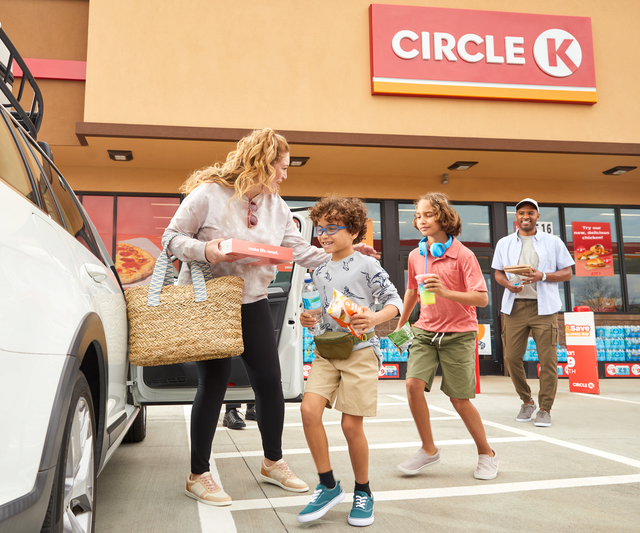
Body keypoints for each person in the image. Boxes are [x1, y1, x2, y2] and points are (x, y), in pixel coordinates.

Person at [164, 128, 329, 506]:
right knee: (215, 381)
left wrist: (344, 256)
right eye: (281, 167)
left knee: (270, 382)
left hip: (253, 300)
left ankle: (273, 462)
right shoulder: (208, 194)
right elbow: (171, 238)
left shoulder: (278, 207)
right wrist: (208, 250)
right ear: (261, 163)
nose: (285, 175)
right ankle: (197, 475)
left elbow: (300, 251)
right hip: (210, 300)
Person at [296, 197, 402, 527]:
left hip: (360, 352)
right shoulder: (318, 270)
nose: (324, 235)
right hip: (327, 350)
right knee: (308, 410)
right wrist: (308, 318)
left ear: (354, 231)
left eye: (332, 228)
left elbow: (394, 302)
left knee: (350, 426)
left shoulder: (367, 265)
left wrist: (374, 318)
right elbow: (319, 312)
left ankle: (363, 491)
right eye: (320, 229)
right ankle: (328, 485)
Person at [395, 192, 499, 480]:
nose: (421, 220)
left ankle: (487, 454)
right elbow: (412, 292)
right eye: (418, 215)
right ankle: (428, 449)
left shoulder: (463, 255)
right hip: (425, 331)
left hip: (459, 334)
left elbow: (481, 298)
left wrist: (445, 292)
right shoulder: (416, 255)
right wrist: (401, 325)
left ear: (443, 217)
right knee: (413, 385)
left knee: (459, 399)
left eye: (428, 214)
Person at [492, 198, 574, 427]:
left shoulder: (553, 242)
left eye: (530, 212)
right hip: (515, 307)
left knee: (548, 360)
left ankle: (545, 408)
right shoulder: (504, 243)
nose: (525, 216)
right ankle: (527, 401)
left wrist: (543, 276)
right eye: (521, 213)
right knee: (511, 358)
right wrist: (508, 285)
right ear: (516, 217)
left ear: (537, 216)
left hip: (544, 308)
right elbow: (498, 273)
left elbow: (567, 272)